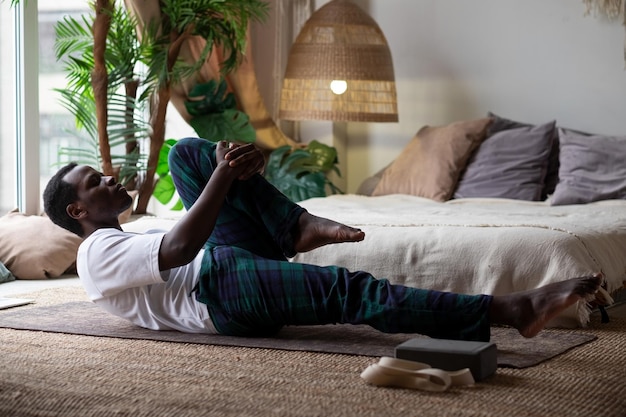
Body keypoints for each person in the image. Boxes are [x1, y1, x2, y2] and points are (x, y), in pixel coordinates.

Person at [43, 137, 602, 341]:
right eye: (96, 183)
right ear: (77, 210)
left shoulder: (133, 229)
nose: (110, 178)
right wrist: (224, 176)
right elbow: (184, 252)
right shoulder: (95, 256)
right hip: (220, 294)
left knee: (187, 153)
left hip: (226, 265)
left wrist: (227, 167)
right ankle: (510, 308)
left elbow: (193, 234)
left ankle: (296, 226)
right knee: (349, 290)